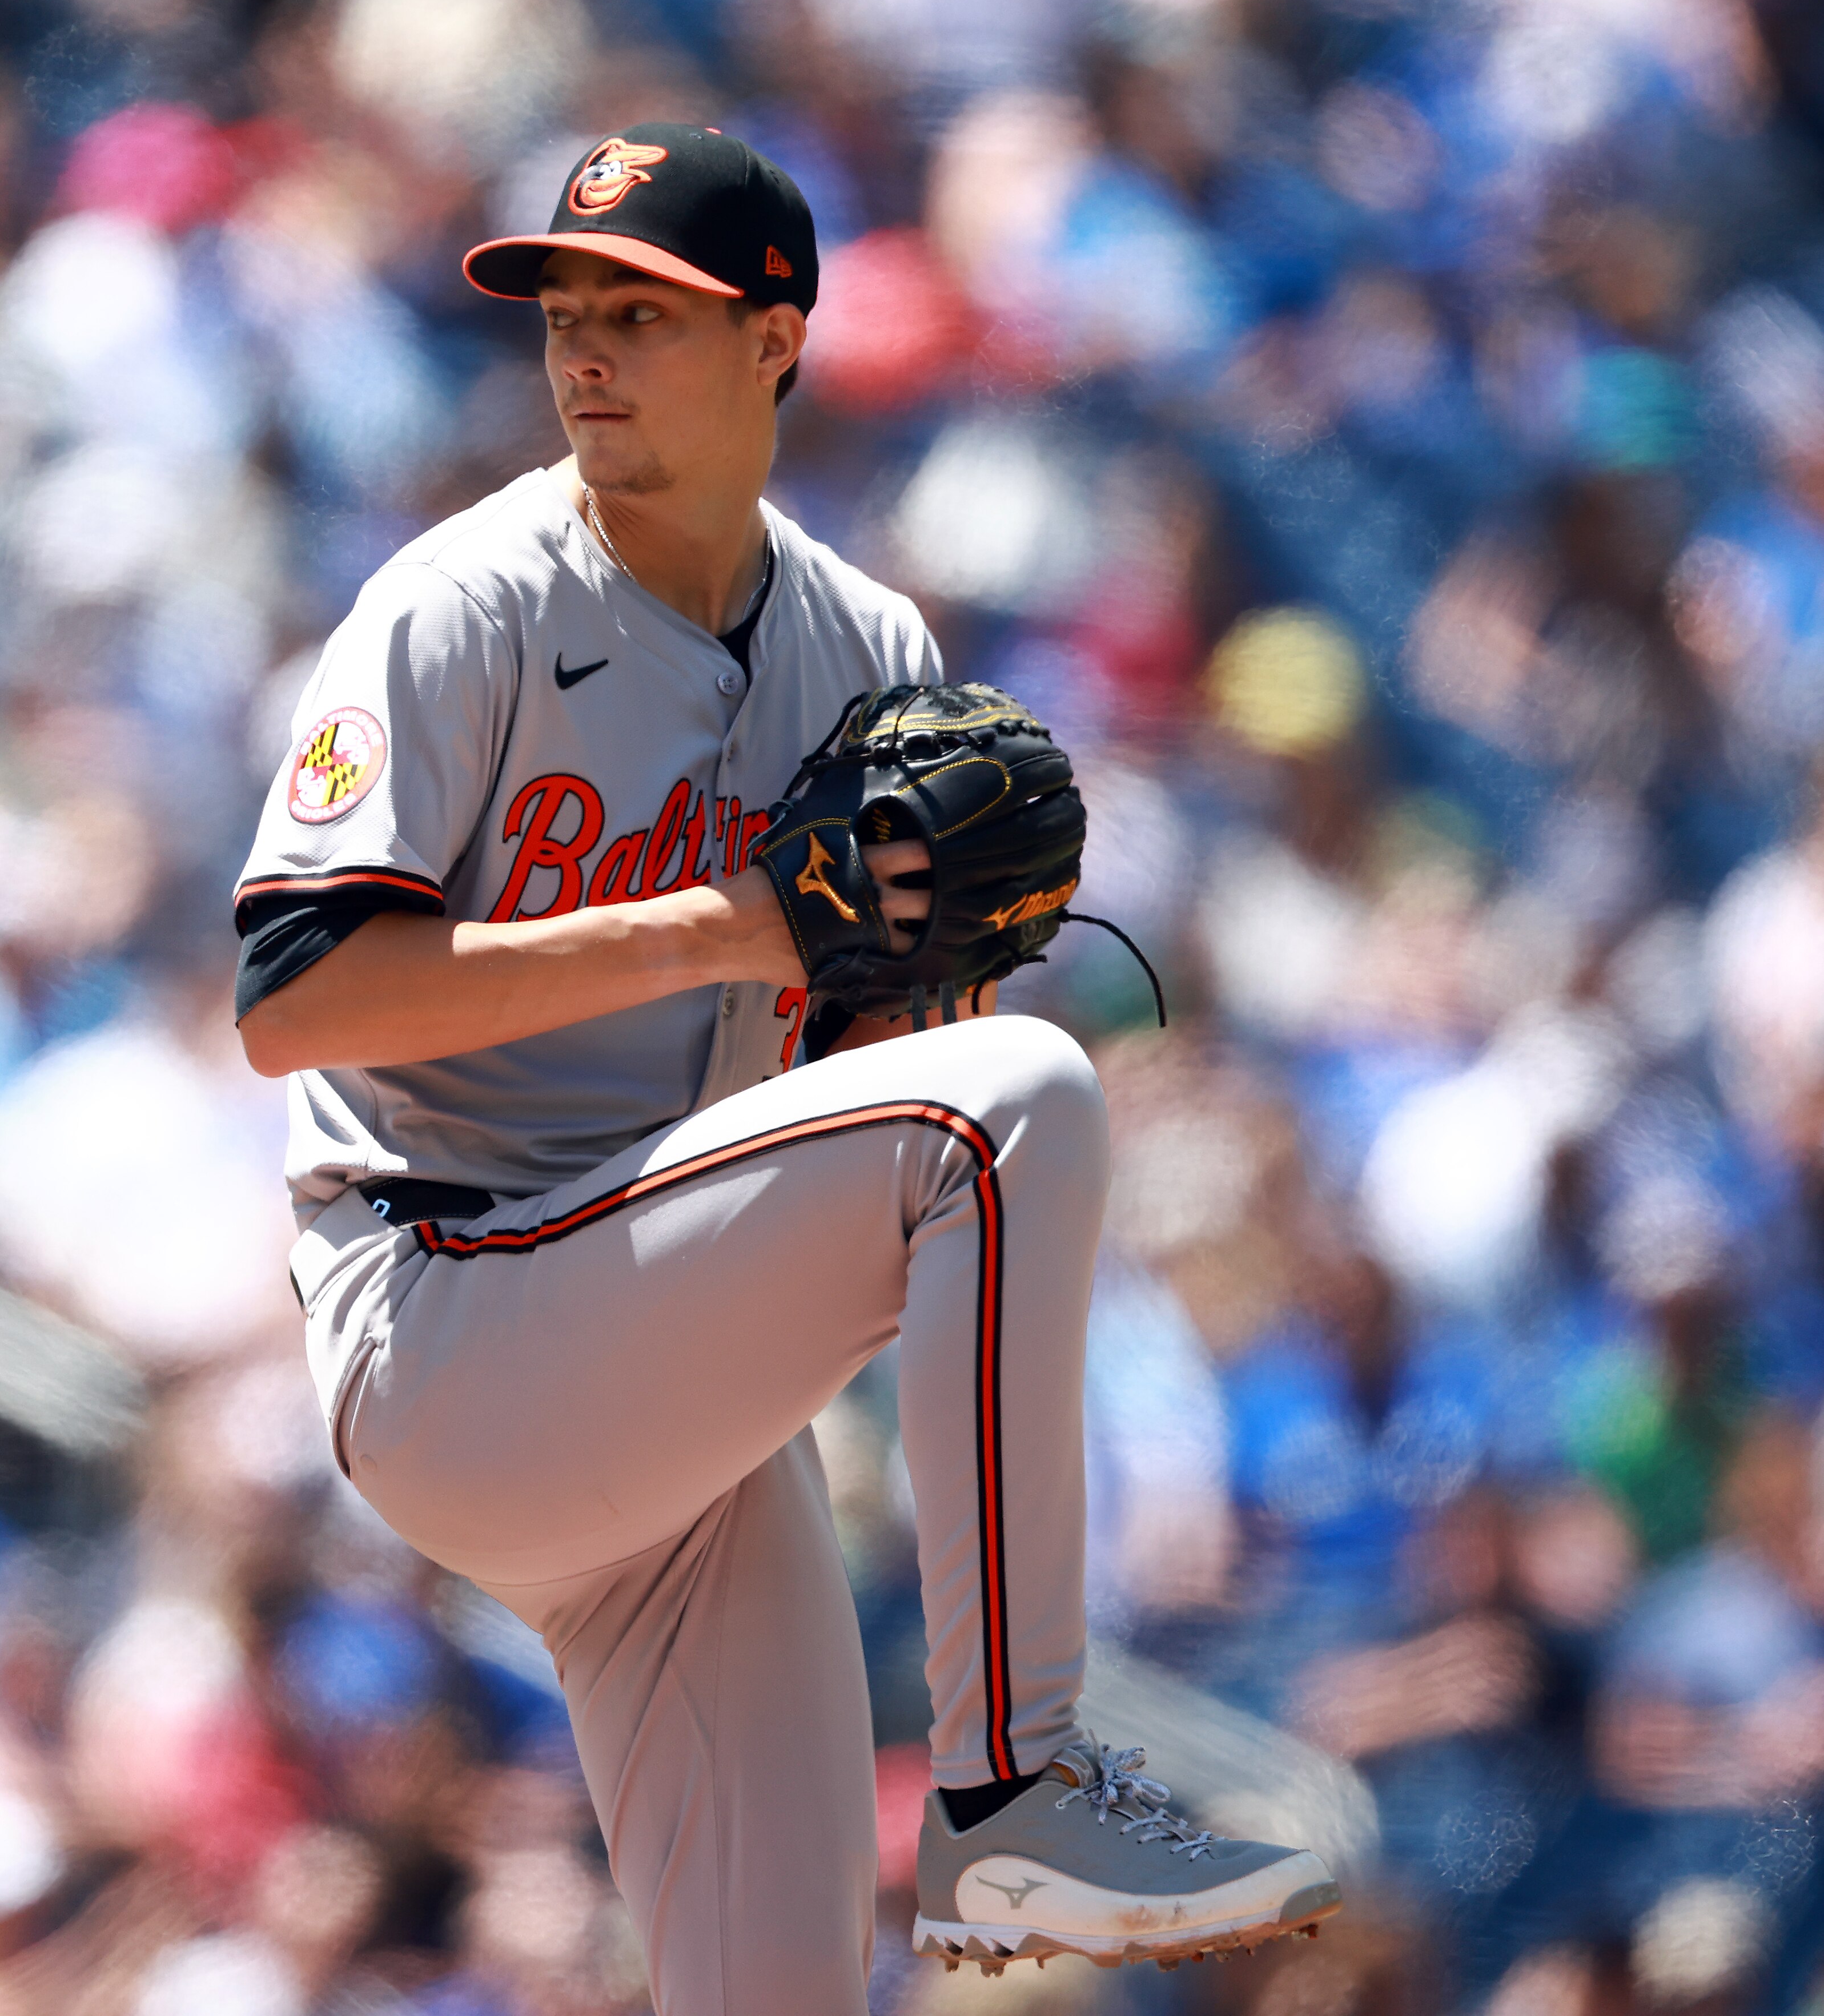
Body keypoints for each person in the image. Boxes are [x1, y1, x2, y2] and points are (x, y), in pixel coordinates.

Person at [231, 124, 1339, 2011]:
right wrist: (733, 929)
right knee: (1013, 1108)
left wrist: (918, 972)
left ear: (774, 336)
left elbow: (854, 1055)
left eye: (640, 315)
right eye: (564, 314)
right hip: (450, 1310)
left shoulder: (864, 644)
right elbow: (295, 998)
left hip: (671, 1395)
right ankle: (1014, 1784)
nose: (583, 351)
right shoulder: (461, 606)